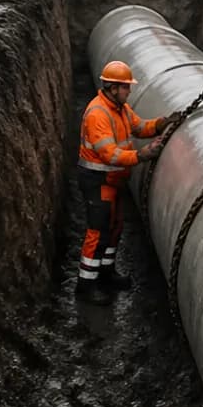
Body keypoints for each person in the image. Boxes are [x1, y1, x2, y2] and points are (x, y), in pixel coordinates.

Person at [75, 61, 172, 305]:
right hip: (97, 181)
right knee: (98, 232)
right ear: (113, 87)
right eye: (126, 87)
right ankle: (86, 286)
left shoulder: (121, 109)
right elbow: (110, 154)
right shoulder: (98, 114)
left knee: (115, 227)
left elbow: (139, 127)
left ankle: (106, 274)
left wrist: (161, 123)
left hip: (113, 180)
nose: (129, 91)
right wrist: (141, 155)